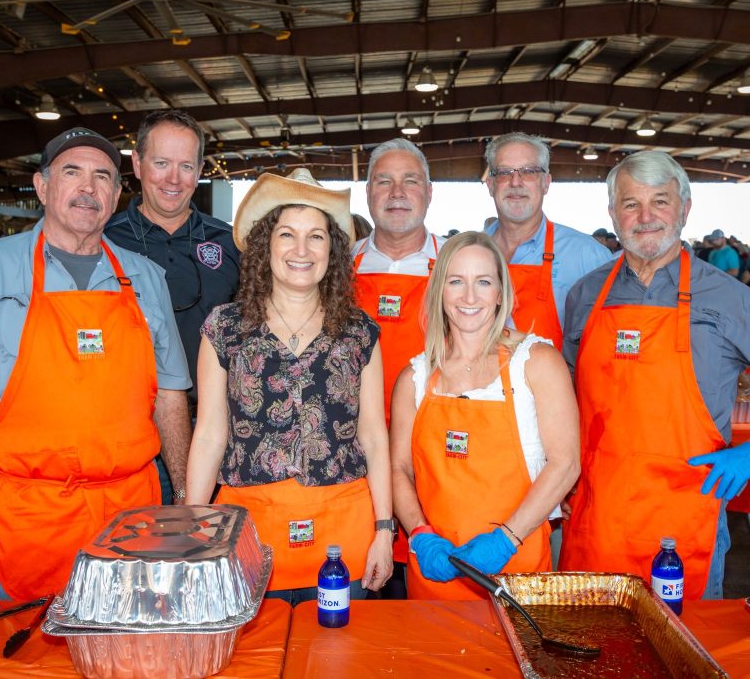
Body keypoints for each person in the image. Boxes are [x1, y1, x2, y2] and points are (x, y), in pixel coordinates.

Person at [0, 127, 191, 601]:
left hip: (129, 514)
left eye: (103, 176)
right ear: (42, 186)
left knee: (124, 655)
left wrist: (183, 494)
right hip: (20, 510)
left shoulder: (146, 277)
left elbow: (170, 393)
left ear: (118, 194)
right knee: (13, 655)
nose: (88, 187)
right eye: (71, 172)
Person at [559, 151, 750, 600]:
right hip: (596, 508)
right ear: (612, 213)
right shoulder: (586, 294)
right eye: (630, 204)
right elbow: (565, 386)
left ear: (685, 208)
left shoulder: (726, 296)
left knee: (684, 647)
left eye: (660, 201)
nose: (645, 217)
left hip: (683, 510)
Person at [186, 168, 393, 603]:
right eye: (287, 234)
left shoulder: (360, 332)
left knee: (340, 661)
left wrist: (384, 531)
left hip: (345, 534)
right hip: (250, 532)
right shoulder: (224, 328)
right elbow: (208, 435)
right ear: (266, 245)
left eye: (316, 236)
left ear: (332, 250)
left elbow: (374, 437)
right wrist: (192, 526)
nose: (302, 249)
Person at [391, 232, 580, 599]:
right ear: (439, 290)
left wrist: (505, 540)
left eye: (483, 282)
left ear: (500, 292)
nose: (469, 297)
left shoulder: (536, 362)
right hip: (435, 580)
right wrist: (419, 533)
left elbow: (566, 463)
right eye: (456, 281)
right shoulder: (414, 378)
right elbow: (399, 469)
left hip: (517, 575)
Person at [351, 139, 446, 589]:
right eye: (383, 181)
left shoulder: (454, 262)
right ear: (367, 193)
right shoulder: (338, 263)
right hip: (354, 450)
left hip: (433, 450)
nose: (397, 192)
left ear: (429, 192)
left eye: (410, 181)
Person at [106, 109, 239, 406]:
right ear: (138, 164)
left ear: (200, 170)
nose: (174, 179)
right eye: (161, 163)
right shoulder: (105, 240)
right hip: (127, 416)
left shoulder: (230, 242)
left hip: (213, 417)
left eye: (186, 166)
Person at [484, 133, 612, 344]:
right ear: (490, 185)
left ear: (546, 183)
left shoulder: (587, 255)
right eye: (505, 172)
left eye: (529, 172)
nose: (516, 182)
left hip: (558, 376)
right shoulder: (470, 252)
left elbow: (605, 341)